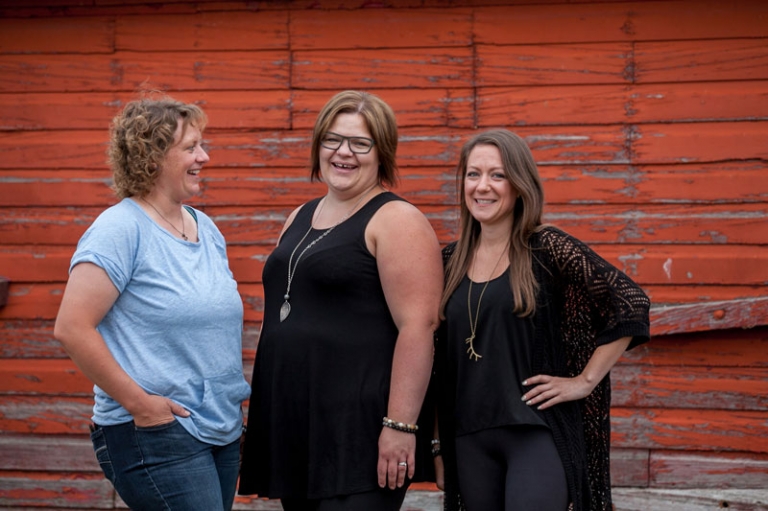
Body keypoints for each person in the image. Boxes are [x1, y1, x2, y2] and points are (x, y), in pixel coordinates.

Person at [238, 90, 443, 511]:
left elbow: (419, 326)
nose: (343, 152)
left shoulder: (396, 219)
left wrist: (400, 425)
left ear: (381, 152)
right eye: (332, 140)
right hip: (298, 426)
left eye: (360, 143)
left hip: (360, 430)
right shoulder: (300, 215)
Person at [431, 129, 651, 511]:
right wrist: (437, 446)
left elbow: (630, 302)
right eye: (473, 174)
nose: (482, 186)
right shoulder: (447, 262)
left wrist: (583, 382)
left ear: (520, 185)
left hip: (534, 431)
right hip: (467, 440)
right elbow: (434, 363)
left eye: (497, 175)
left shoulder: (546, 247)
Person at [53, 96, 251, 511]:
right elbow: (72, 327)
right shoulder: (120, 229)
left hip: (219, 428)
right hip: (155, 432)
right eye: (191, 147)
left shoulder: (205, 227)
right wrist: (141, 405)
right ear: (153, 156)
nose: (205, 156)